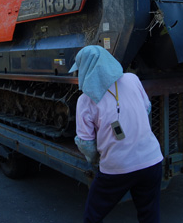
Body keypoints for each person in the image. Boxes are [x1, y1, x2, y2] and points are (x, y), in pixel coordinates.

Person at [69, 45, 164, 223]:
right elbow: (147, 108)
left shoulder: (86, 100)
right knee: (149, 215)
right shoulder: (131, 79)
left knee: (93, 215)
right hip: (151, 160)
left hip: (117, 167)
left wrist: (94, 159)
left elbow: (85, 143)